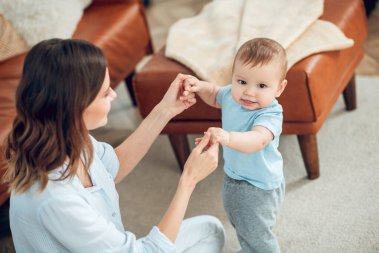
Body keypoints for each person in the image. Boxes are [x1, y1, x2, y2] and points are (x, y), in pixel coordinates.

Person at [3, 38, 225, 253]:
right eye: (105, 92)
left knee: (210, 231)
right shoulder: (54, 199)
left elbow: (113, 167)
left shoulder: (70, 138)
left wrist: (166, 109)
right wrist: (189, 180)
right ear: (75, 106)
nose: (114, 94)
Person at [183, 38, 288, 252]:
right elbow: (214, 94)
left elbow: (257, 140)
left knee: (257, 234)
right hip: (235, 175)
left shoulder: (270, 114)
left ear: (279, 88)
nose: (249, 92)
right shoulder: (232, 96)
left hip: (258, 186)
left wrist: (227, 138)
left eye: (261, 85)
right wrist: (200, 86)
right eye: (241, 82)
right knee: (240, 222)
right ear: (233, 78)